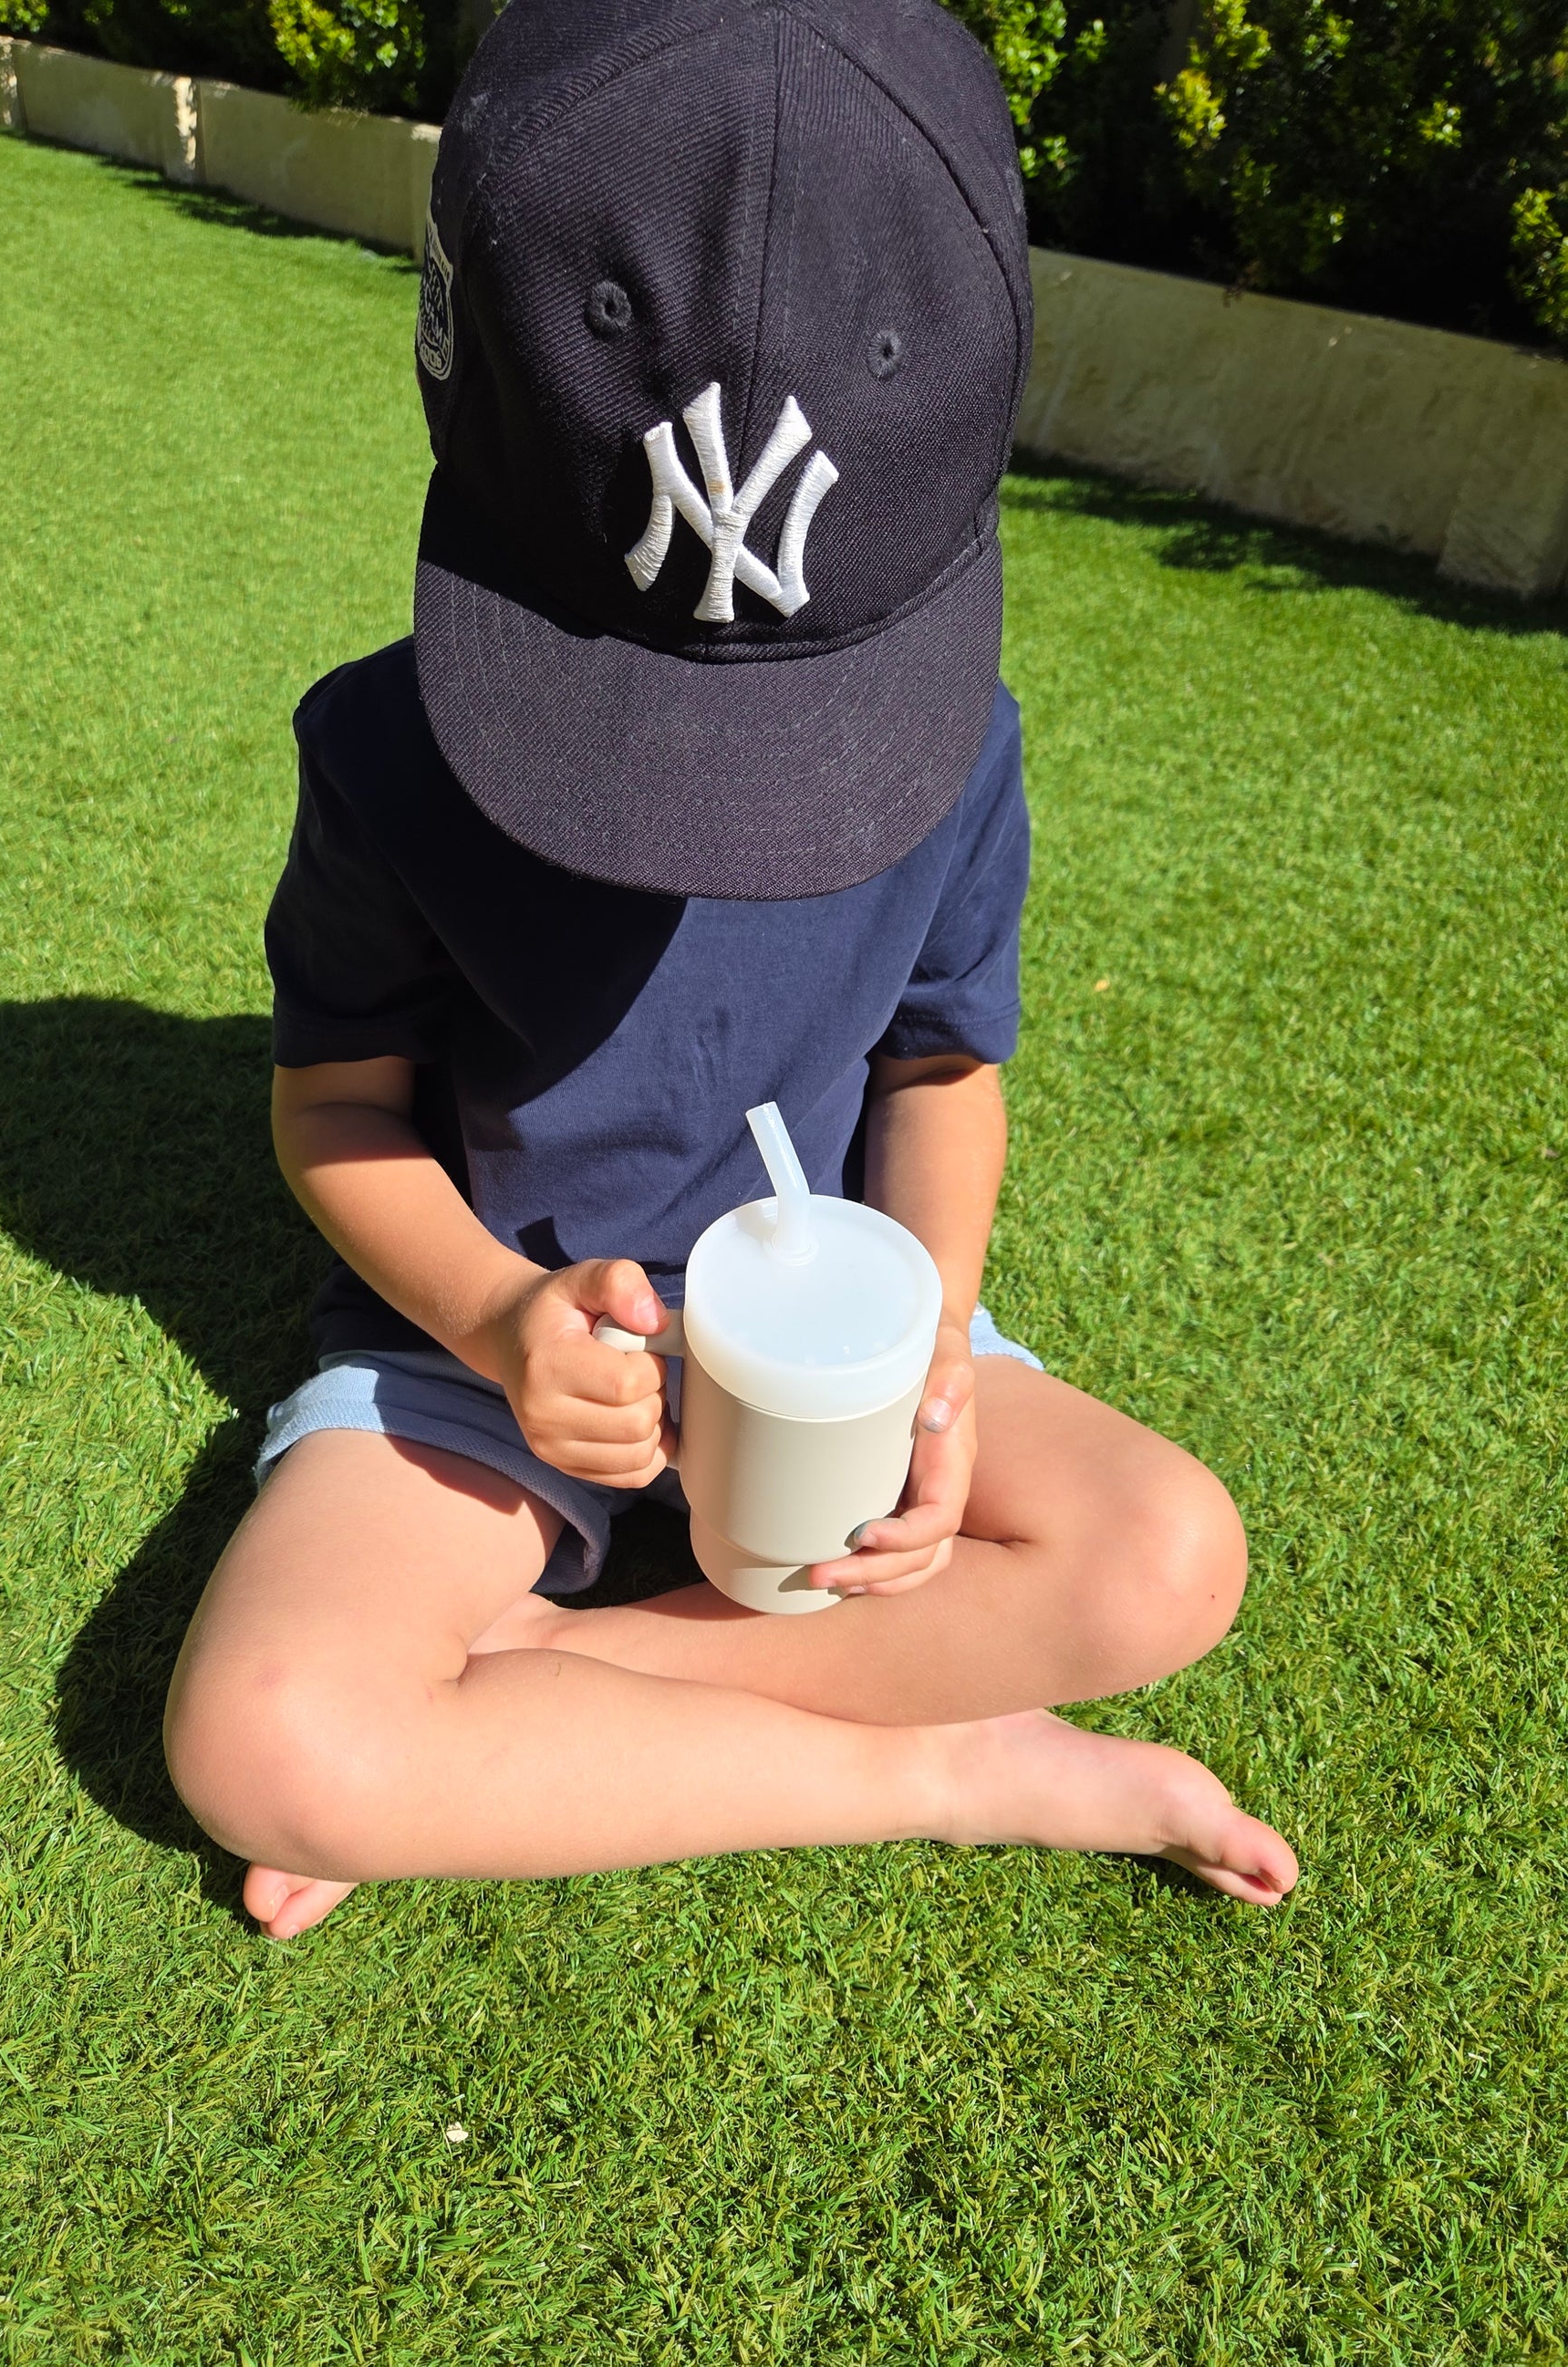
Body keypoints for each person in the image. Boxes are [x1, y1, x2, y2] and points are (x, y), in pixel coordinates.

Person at [163, 0, 1298, 1938]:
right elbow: (335, 1104)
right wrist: (503, 1323)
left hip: (838, 1344)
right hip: (493, 1360)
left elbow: (938, 1066)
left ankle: (532, 1701)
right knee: (271, 1737)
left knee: (1165, 1554)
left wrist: (933, 1340)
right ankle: (947, 1762)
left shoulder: (963, 754)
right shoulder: (383, 752)